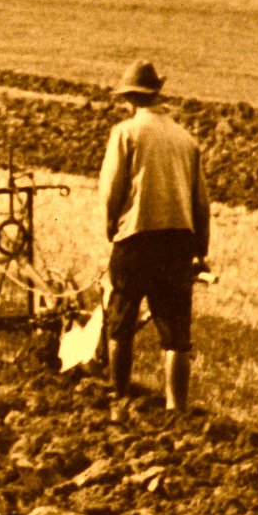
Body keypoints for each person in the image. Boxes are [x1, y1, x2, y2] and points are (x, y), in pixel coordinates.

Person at [98, 59, 210, 418]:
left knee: (121, 321)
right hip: (178, 242)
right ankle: (177, 408)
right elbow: (201, 202)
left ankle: (119, 399)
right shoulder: (186, 139)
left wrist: (110, 226)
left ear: (131, 98)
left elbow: (111, 190)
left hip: (137, 237)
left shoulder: (126, 133)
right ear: (157, 94)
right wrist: (200, 249)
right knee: (176, 332)